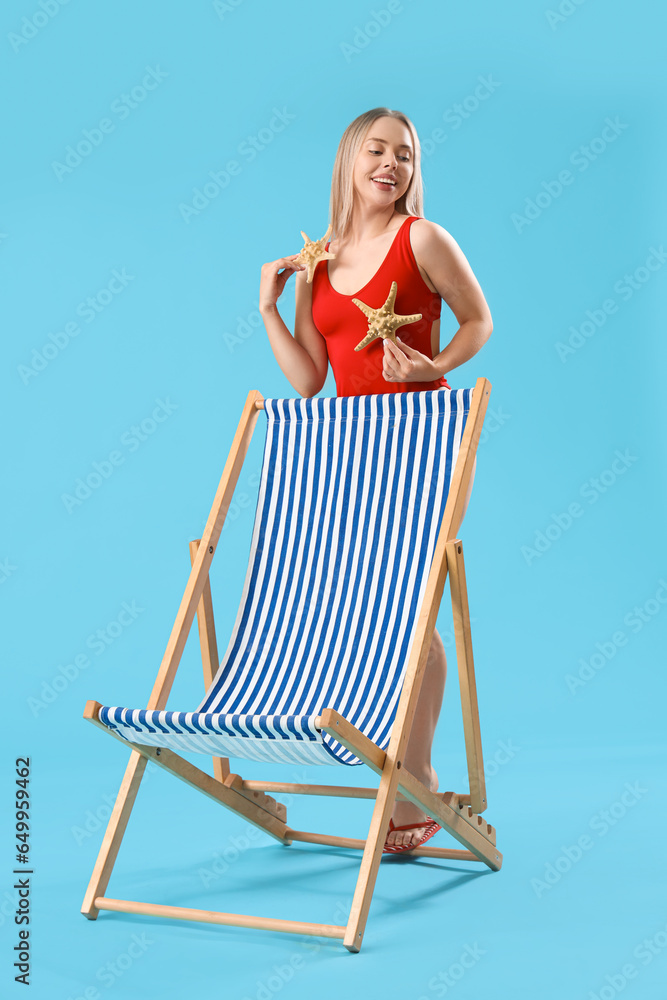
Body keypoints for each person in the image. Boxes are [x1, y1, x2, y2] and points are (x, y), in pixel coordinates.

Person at [259, 107, 493, 852]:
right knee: (358, 605)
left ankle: (413, 777)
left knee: (411, 605)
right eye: (377, 149)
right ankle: (374, 764)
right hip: (352, 446)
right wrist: (268, 305)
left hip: (423, 439)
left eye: (407, 154)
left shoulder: (422, 238)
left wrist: (435, 368)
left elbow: (478, 321)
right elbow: (308, 380)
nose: (392, 164)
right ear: (348, 160)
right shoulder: (318, 261)